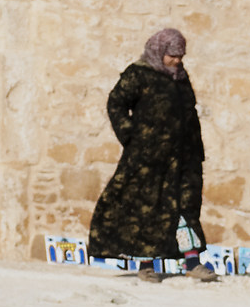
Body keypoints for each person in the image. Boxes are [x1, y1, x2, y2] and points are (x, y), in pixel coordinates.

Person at [87, 28, 214, 281]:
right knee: (147, 209)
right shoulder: (139, 74)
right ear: (159, 52)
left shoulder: (180, 77)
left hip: (183, 158)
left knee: (185, 208)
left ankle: (192, 263)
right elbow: (116, 103)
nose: (176, 61)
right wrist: (133, 138)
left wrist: (195, 149)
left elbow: (189, 113)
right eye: (172, 56)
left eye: (180, 56)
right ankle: (146, 265)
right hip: (147, 158)